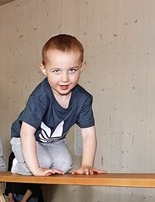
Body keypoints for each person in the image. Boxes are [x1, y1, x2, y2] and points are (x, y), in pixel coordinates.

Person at [10, 34, 106, 177]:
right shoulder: (40, 97)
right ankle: (18, 165)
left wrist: (87, 164)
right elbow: (26, 132)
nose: (65, 79)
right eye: (56, 71)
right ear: (44, 69)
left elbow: (88, 134)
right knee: (41, 163)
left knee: (64, 165)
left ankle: (36, 164)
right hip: (25, 137)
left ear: (81, 67)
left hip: (53, 141)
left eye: (72, 70)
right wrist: (36, 169)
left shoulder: (83, 99)